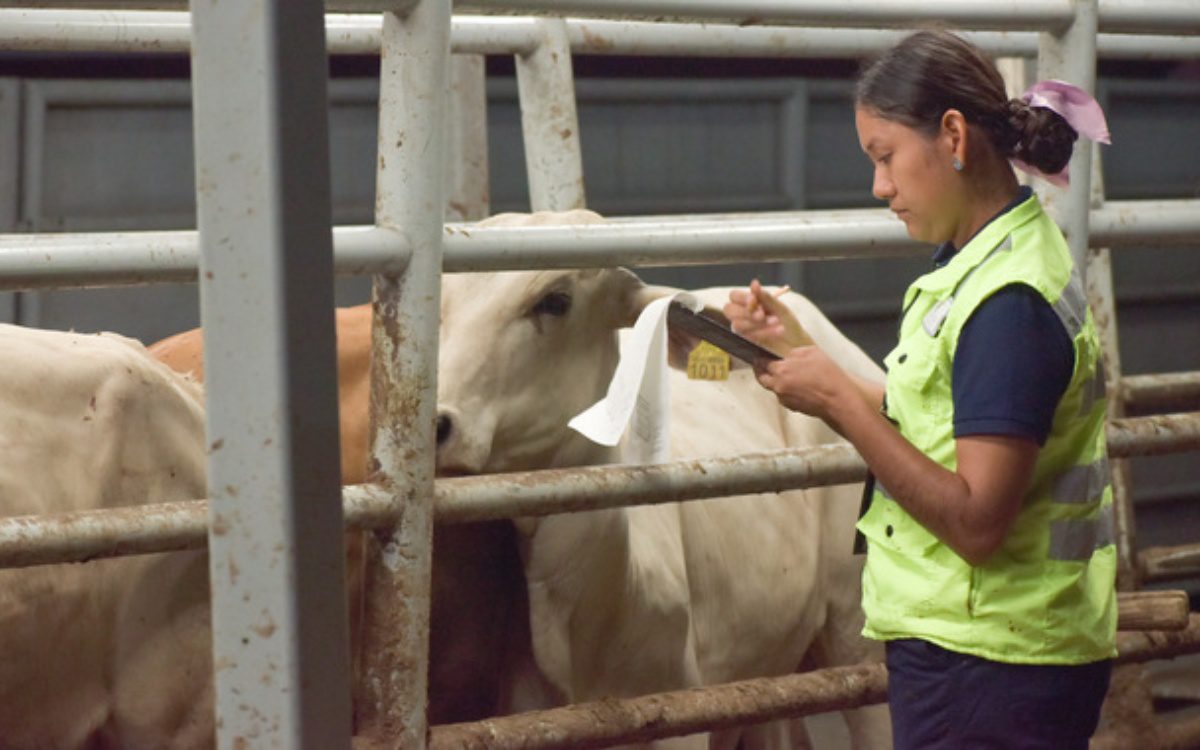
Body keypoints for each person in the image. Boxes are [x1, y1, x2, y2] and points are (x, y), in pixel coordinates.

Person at [725, 30, 1115, 750]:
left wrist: (838, 403)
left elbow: (975, 522)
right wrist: (806, 359)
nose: (880, 187)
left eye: (885, 157)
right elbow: (936, 425)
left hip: (992, 662)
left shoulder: (1007, 304)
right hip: (989, 649)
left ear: (954, 136)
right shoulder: (984, 260)